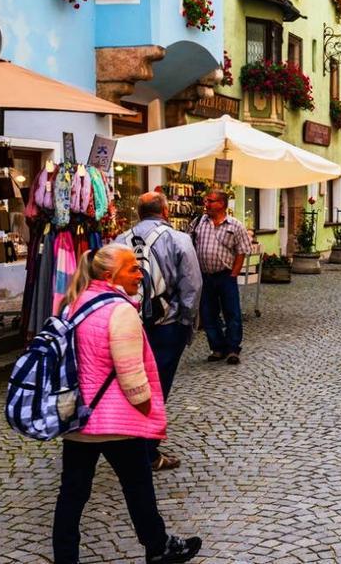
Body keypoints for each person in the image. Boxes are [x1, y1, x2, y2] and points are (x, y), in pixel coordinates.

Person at [52, 243, 201, 564]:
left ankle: (66, 557)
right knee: (138, 487)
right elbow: (131, 374)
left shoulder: (72, 304)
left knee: (72, 494)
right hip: (116, 422)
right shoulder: (120, 311)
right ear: (110, 275)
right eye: (132, 268)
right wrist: (148, 410)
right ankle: (159, 547)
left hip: (78, 418)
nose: (140, 273)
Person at [117, 192, 202, 471]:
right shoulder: (179, 240)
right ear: (165, 211)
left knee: (130, 382)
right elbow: (192, 286)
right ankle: (147, 450)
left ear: (139, 212)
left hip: (128, 323)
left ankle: (128, 440)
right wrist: (185, 322)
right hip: (167, 324)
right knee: (157, 386)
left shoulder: (120, 241)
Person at [191, 190, 251, 365]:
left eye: (211, 201)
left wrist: (234, 273)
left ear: (222, 204)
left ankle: (233, 348)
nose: (206, 204)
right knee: (208, 313)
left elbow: (242, 251)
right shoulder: (198, 223)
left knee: (231, 312)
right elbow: (189, 244)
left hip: (225, 275)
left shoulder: (235, 225)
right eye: (206, 200)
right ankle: (217, 347)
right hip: (205, 276)